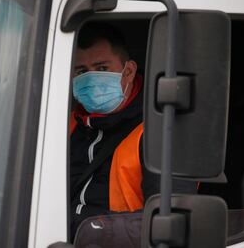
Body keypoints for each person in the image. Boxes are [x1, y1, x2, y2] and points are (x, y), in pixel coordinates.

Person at [69, 22, 196, 238]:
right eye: (81, 71)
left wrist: (93, 232)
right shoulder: (66, 123)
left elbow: (170, 222)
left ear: (128, 72)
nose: (91, 79)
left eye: (101, 68)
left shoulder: (160, 132)